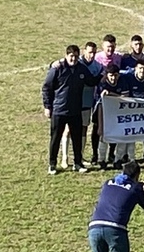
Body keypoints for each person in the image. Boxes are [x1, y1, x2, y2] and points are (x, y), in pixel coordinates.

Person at [42, 44, 101, 175]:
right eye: (71, 56)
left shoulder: (81, 69)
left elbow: (91, 81)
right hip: (59, 110)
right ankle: (52, 164)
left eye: (75, 56)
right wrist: (47, 106)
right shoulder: (58, 68)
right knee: (55, 138)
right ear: (66, 55)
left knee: (77, 138)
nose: (73, 59)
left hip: (75, 110)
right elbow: (46, 87)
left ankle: (77, 163)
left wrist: (103, 75)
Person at [96, 64, 127, 170]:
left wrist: (111, 94)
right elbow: (102, 100)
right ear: (107, 75)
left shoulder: (123, 81)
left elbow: (125, 97)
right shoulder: (102, 83)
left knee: (122, 135)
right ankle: (101, 160)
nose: (113, 78)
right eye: (111, 75)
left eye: (115, 75)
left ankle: (117, 160)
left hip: (119, 112)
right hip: (104, 111)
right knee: (103, 135)